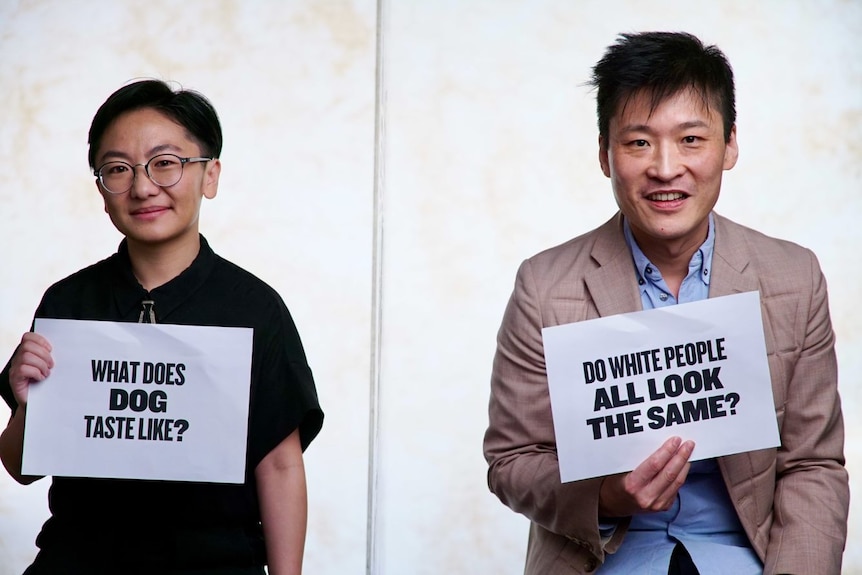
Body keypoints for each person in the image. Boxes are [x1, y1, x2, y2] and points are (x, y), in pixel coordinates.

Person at [483, 32, 848, 575]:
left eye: (691, 139)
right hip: (603, 558)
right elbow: (512, 461)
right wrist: (606, 499)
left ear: (729, 146)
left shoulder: (793, 277)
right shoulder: (544, 285)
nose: (665, 167)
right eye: (638, 143)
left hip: (748, 557)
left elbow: (812, 464)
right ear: (606, 155)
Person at [0, 80, 323, 575]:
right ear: (101, 190)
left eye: (165, 163)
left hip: (215, 564)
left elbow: (279, 466)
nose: (143, 186)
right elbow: (23, 468)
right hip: (80, 561)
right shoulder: (69, 302)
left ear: (209, 175)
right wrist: (27, 405)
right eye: (118, 169)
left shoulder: (255, 309)